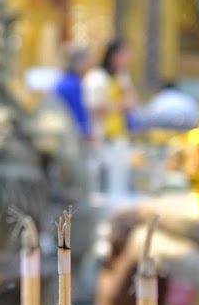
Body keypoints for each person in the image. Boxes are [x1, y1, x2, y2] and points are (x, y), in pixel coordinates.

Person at [83, 38, 137, 201]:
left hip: (119, 135)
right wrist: (119, 105)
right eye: (124, 55)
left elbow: (131, 102)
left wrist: (126, 95)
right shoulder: (96, 77)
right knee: (98, 186)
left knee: (118, 183)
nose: (128, 59)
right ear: (113, 55)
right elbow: (92, 105)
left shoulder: (122, 77)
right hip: (100, 136)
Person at [52, 43, 91, 139]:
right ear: (80, 63)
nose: (89, 65)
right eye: (88, 61)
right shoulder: (73, 84)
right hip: (69, 134)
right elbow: (78, 112)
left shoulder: (64, 80)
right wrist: (86, 133)